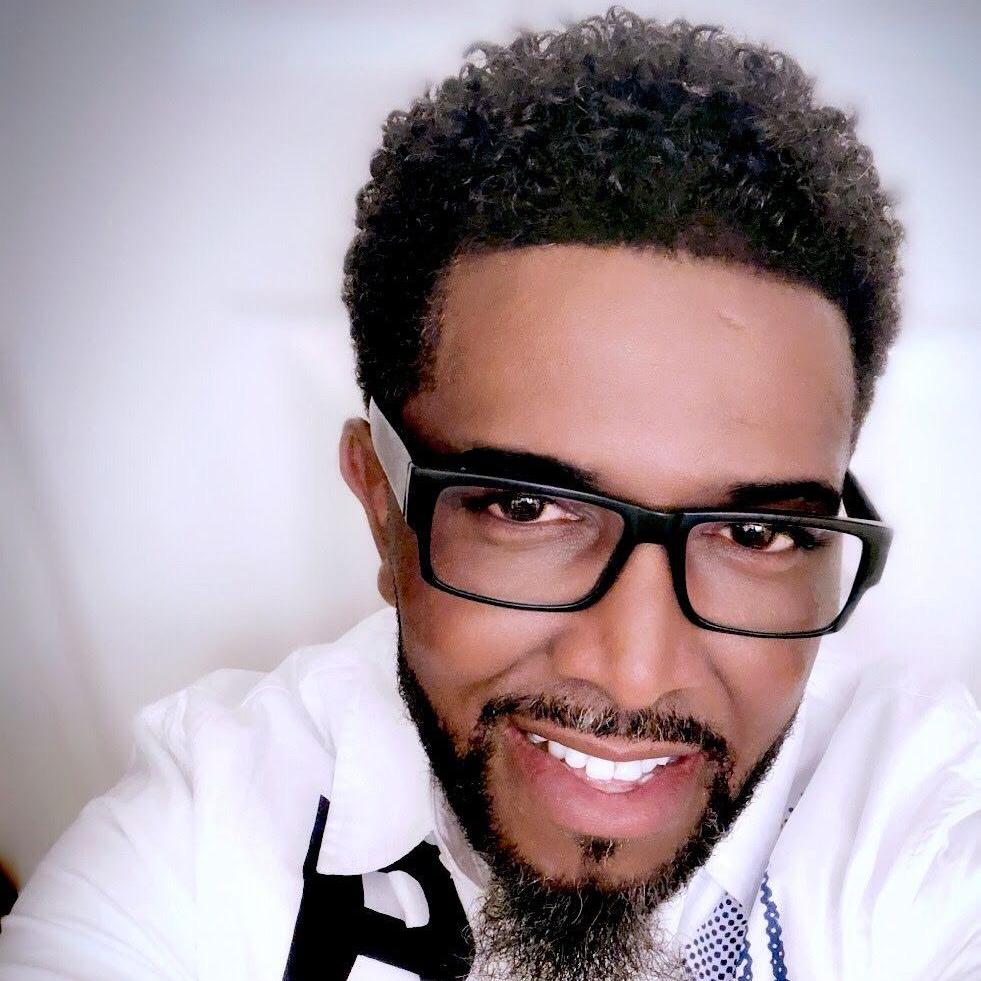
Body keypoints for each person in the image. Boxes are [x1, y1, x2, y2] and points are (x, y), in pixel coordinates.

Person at [0, 8, 978, 981]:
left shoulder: (930, 823)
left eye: (756, 532)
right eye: (526, 507)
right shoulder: (202, 839)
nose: (637, 674)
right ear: (383, 507)